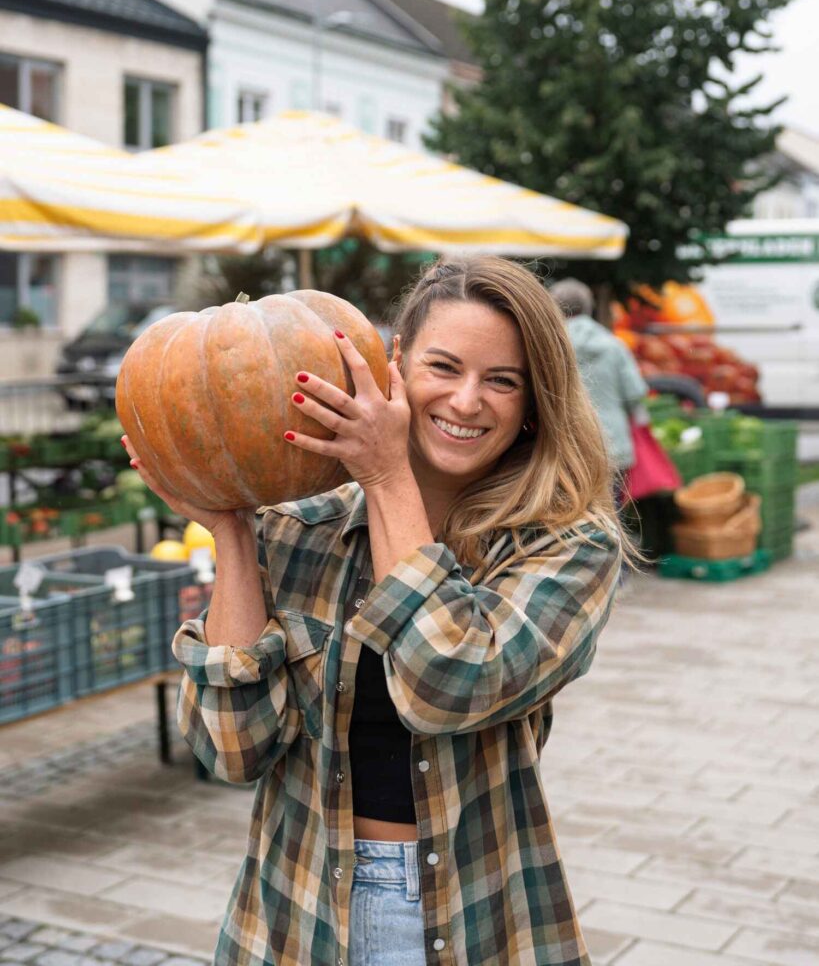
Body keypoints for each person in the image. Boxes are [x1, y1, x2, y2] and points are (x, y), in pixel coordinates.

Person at [124, 256, 629, 966]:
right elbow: (231, 751)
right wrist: (233, 531)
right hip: (293, 910)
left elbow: (447, 683)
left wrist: (387, 475)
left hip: (472, 911)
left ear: (534, 400)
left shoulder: (565, 546)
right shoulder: (301, 525)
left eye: (501, 381)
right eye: (443, 368)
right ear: (390, 365)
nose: (465, 400)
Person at [549, 278, 648, 501]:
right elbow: (635, 392)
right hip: (612, 446)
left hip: (564, 446)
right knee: (610, 514)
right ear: (588, 306)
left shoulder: (550, 346)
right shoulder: (613, 344)